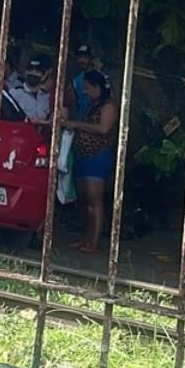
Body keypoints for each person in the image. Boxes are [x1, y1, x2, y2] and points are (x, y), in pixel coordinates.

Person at [63, 70, 118, 254]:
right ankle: (85, 238)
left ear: (97, 87)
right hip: (82, 157)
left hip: (97, 157)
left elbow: (104, 129)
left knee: (95, 201)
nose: (85, 92)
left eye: (88, 88)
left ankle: (94, 241)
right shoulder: (92, 105)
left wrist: (77, 124)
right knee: (84, 200)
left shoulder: (108, 106)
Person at [10, 55, 52, 124]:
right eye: (30, 70)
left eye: (37, 71)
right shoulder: (14, 93)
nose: (33, 73)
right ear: (25, 73)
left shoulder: (45, 97)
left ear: (43, 76)